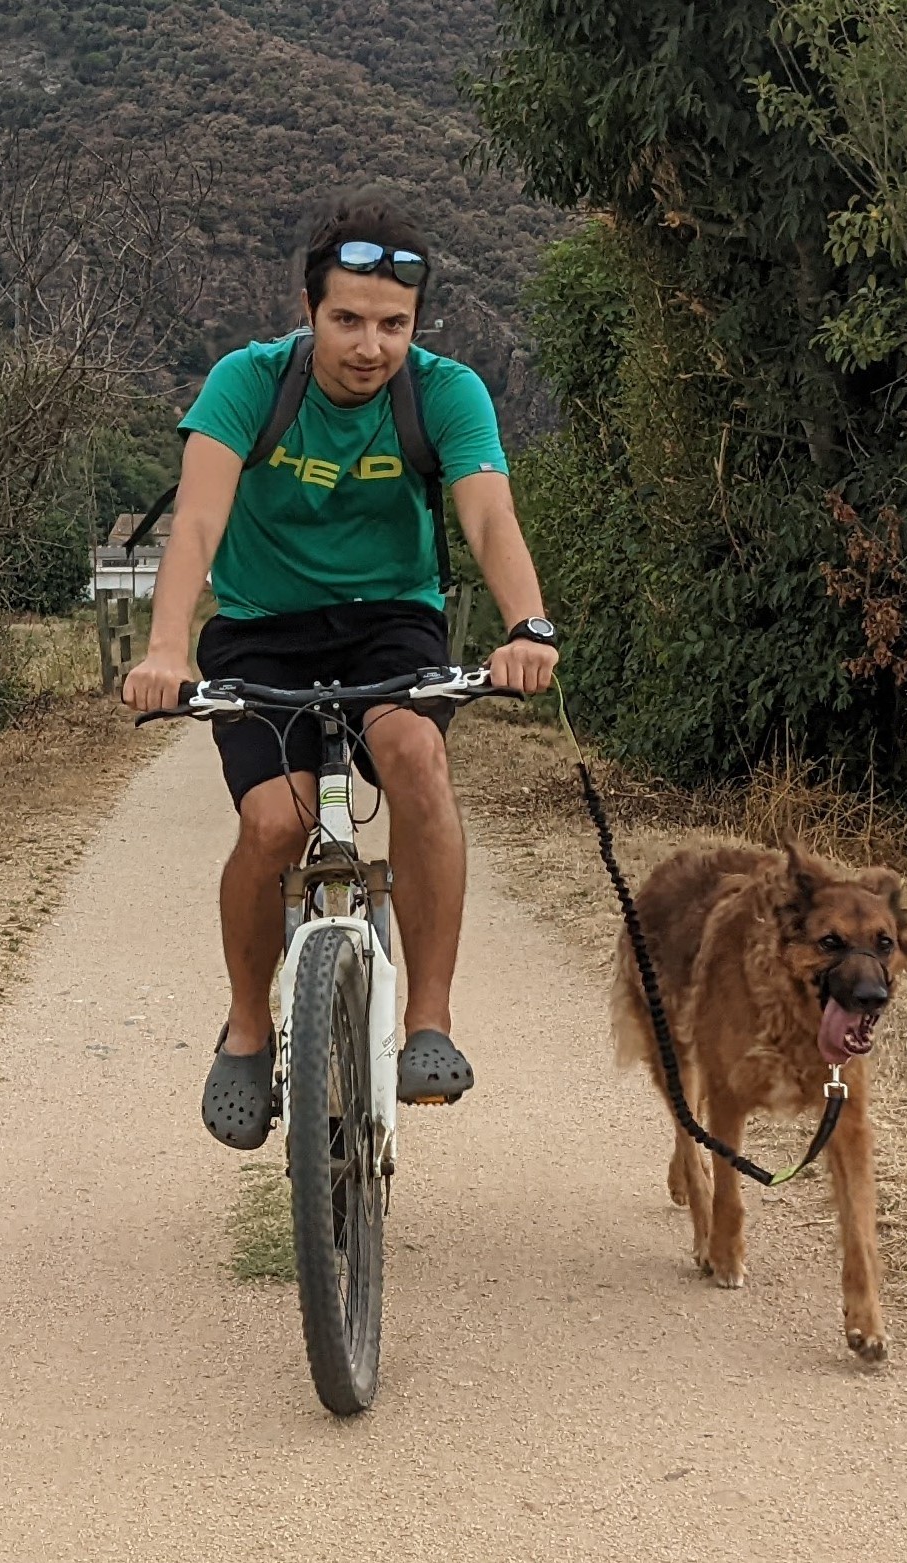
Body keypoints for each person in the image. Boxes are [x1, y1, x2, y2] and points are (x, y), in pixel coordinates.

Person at [122, 189, 559, 1150]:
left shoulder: (444, 393)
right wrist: (163, 650)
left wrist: (528, 626)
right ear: (309, 311)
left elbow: (488, 515)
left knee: (414, 757)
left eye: (393, 324)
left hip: (391, 624)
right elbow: (196, 523)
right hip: (261, 626)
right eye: (348, 320)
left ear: (416, 323)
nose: (371, 346)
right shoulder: (249, 383)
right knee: (271, 819)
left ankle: (428, 1023)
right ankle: (245, 1026)